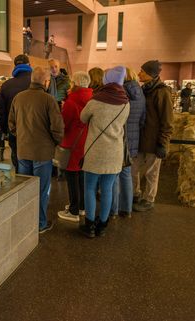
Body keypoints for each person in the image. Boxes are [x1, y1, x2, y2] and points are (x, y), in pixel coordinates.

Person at [9, 66, 64, 233]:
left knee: (26, 187)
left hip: (23, 150)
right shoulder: (49, 100)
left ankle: (26, 221)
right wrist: (55, 142)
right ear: (46, 82)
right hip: (42, 152)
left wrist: (22, 137)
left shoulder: (18, 98)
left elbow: (11, 125)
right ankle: (40, 223)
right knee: (41, 190)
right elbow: (57, 128)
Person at [80, 66, 130, 238]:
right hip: (115, 153)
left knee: (90, 188)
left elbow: (82, 118)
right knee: (108, 188)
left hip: (95, 151)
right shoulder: (125, 103)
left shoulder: (95, 101)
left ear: (106, 81)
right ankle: (102, 225)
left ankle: (89, 225)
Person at [132, 60, 174, 212]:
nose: (139, 74)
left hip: (154, 141)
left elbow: (167, 120)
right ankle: (135, 194)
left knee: (152, 173)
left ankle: (149, 199)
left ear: (151, 74)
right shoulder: (145, 90)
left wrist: (163, 143)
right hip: (141, 140)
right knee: (133, 170)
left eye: (142, 71)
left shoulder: (162, 92)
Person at [57, 71, 93, 223]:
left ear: (75, 84)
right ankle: (82, 207)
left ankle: (73, 211)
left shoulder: (71, 101)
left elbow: (63, 124)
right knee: (82, 176)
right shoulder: (92, 99)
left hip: (72, 143)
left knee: (72, 177)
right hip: (87, 142)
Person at [110, 68, 146, 219]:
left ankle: (114, 209)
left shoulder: (121, 92)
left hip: (120, 137)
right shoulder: (141, 93)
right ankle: (127, 208)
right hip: (134, 138)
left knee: (114, 175)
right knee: (127, 174)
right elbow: (142, 119)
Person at [0, 54, 32, 172]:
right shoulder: (36, 82)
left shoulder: (7, 85)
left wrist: (4, 129)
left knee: (17, 158)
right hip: (35, 130)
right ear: (28, 65)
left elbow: (1, 111)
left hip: (15, 130)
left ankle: (21, 182)